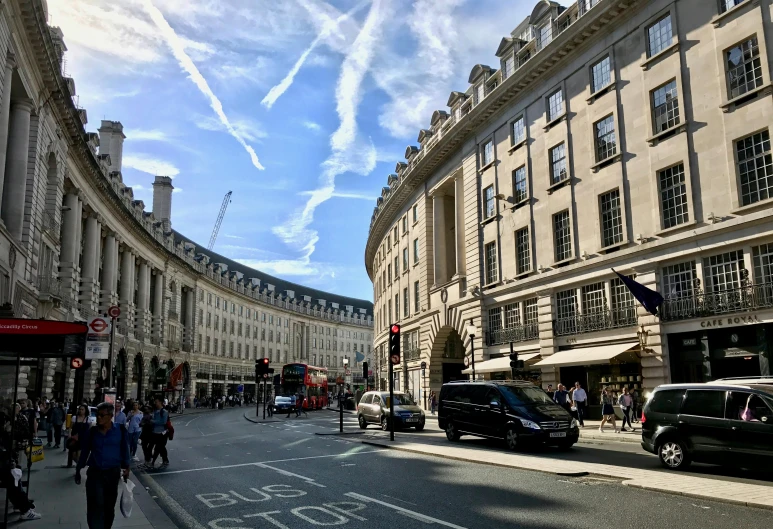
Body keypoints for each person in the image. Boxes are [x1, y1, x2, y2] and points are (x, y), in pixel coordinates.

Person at [76, 402, 130, 529]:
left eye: (102, 415)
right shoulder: (92, 431)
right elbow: (85, 452)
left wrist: (127, 467)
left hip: (112, 473)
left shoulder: (120, 430)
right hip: (95, 472)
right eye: (97, 415)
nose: (98, 417)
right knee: (95, 503)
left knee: (109, 505)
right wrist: (78, 469)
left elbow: (125, 450)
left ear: (110, 416)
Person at [68, 405, 90, 469]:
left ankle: (78, 468)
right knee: (73, 455)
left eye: (82, 409)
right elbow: (70, 427)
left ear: (85, 411)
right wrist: (69, 434)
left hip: (83, 439)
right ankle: (80, 464)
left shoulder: (88, 419)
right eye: (80, 409)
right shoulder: (74, 418)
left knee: (79, 455)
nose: (81, 411)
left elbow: (90, 430)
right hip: (75, 439)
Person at [150, 397, 170, 469]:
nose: (155, 403)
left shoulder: (164, 412)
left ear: (161, 402)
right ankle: (163, 461)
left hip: (162, 433)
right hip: (155, 432)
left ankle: (163, 461)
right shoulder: (155, 411)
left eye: (156, 402)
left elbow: (163, 422)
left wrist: (153, 421)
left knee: (159, 447)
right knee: (158, 448)